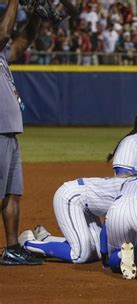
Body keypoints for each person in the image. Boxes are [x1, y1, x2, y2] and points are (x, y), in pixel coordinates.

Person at [0, 0, 43, 265]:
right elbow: (5, 33)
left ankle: (12, 247)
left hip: (9, 132)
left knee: (12, 193)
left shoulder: (2, 57)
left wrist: (37, 16)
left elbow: (22, 40)